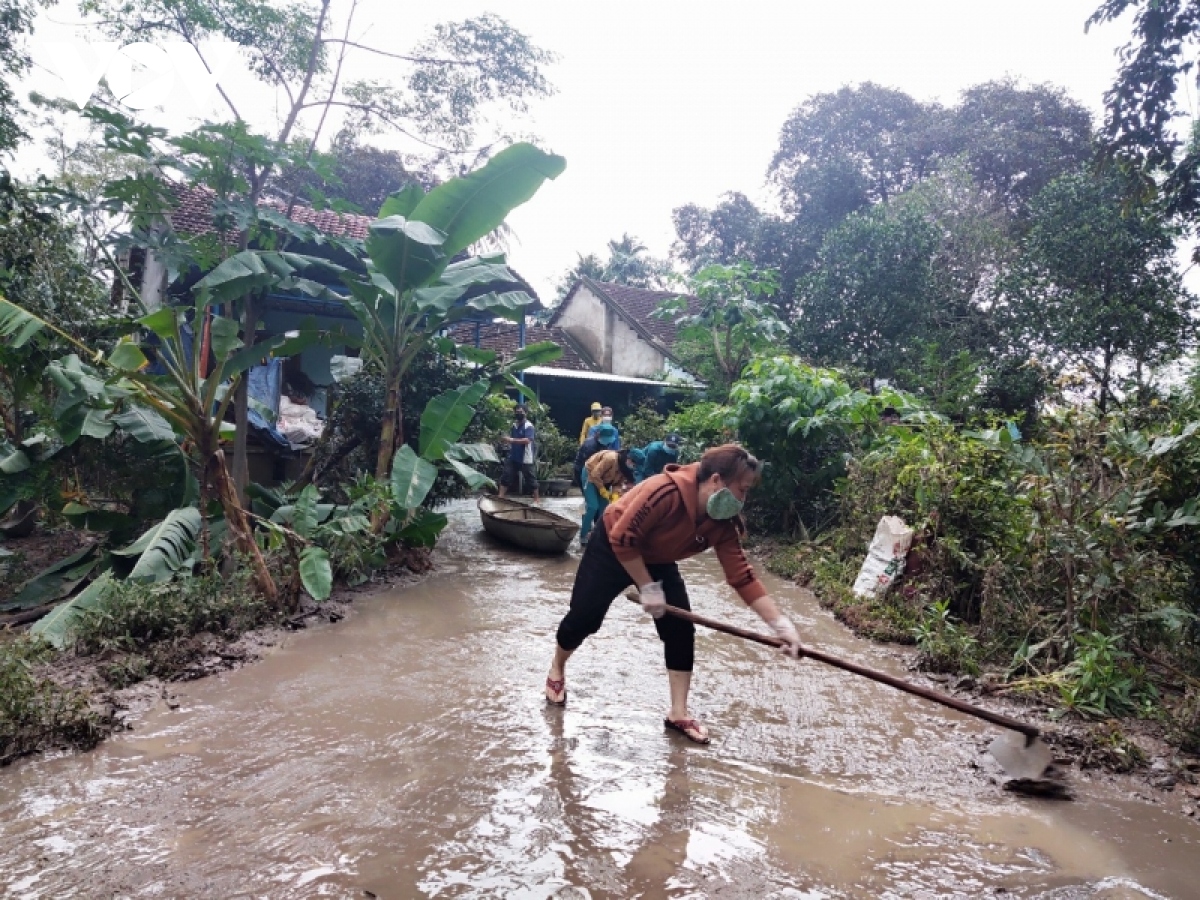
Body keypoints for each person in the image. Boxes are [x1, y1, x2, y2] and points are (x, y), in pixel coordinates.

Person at [544, 444, 803, 744]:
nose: (744, 499)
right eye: (742, 490)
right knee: (584, 620)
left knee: (680, 630)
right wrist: (648, 586)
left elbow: (741, 577)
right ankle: (557, 666)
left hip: (658, 558)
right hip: (613, 547)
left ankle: (678, 712)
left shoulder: (722, 522)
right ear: (717, 480)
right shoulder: (663, 492)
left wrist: (781, 626)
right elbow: (624, 539)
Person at [580, 444, 643, 545]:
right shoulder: (611, 458)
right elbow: (595, 474)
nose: (634, 467)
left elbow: (618, 483)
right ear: (629, 459)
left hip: (604, 479)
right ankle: (583, 535)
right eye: (634, 464)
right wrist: (602, 490)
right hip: (590, 475)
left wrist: (615, 495)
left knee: (605, 509)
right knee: (593, 506)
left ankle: (597, 534)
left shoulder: (626, 469)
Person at [498, 406, 539, 502]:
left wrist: (511, 440)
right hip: (514, 456)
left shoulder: (529, 426)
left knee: (530, 479)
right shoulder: (514, 426)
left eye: (520, 412)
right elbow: (512, 439)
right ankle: (500, 497)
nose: (518, 414)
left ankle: (537, 500)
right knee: (506, 475)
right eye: (517, 412)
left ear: (526, 413)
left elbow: (527, 440)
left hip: (526, 457)